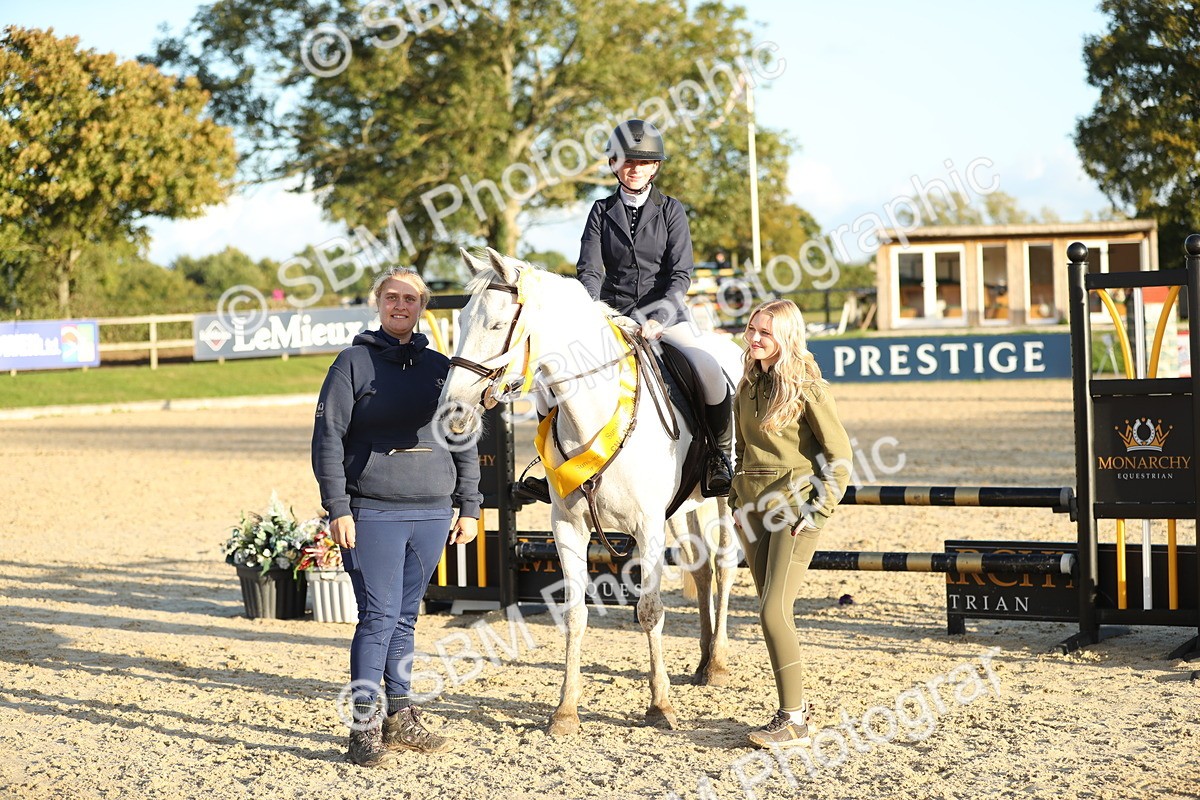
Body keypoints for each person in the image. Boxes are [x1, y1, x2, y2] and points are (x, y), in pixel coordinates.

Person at [311, 266, 483, 767]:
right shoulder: (352, 363)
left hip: (432, 512)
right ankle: (363, 728)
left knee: (406, 618)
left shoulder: (443, 369)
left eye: (410, 299)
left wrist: (470, 506)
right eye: (392, 297)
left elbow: (463, 438)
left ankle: (401, 715)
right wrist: (338, 507)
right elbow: (327, 439)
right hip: (373, 512)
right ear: (378, 302)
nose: (400, 306)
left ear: (422, 306)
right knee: (377, 618)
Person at [575, 118, 733, 496]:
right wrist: (593, 311)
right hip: (614, 316)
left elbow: (680, 274)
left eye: (643, 162)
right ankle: (550, 462)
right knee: (560, 373)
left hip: (666, 315)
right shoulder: (600, 211)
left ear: (655, 167)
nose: (635, 168)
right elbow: (590, 270)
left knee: (708, 369)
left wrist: (659, 317)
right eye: (627, 161)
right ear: (614, 164)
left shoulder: (671, 210)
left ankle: (718, 455)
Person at [727, 299, 853, 749]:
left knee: (772, 612)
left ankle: (794, 720)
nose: (754, 338)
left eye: (765, 332)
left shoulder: (808, 388)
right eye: (752, 329)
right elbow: (742, 450)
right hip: (751, 513)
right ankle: (793, 709)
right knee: (772, 612)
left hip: (794, 511)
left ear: (786, 336)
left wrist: (817, 510)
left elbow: (840, 457)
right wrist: (734, 499)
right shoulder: (746, 386)